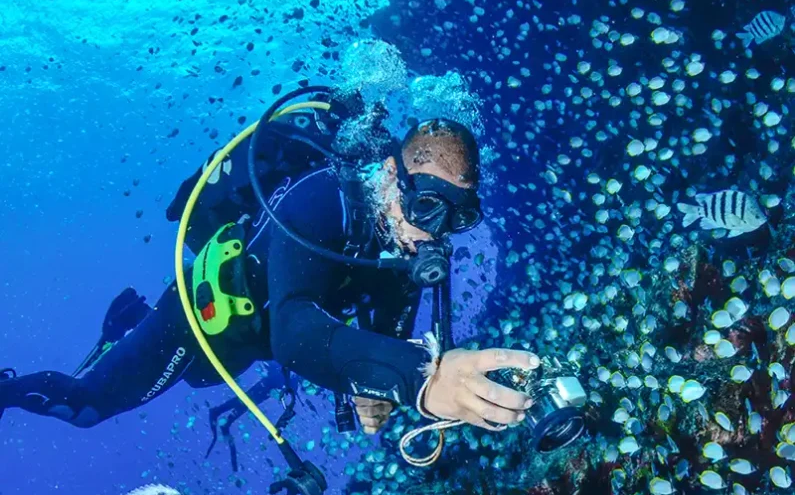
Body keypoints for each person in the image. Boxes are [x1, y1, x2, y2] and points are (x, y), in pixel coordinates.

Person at [0, 88, 537, 473]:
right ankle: (16, 384)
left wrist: (382, 387)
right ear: (392, 176)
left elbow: (384, 341)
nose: (434, 233)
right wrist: (419, 379)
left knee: (207, 381)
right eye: (426, 206)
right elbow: (296, 333)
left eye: (457, 219)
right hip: (200, 323)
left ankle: (129, 320)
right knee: (88, 408)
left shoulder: (409, 246)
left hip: (251, 348)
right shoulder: (321, 198)